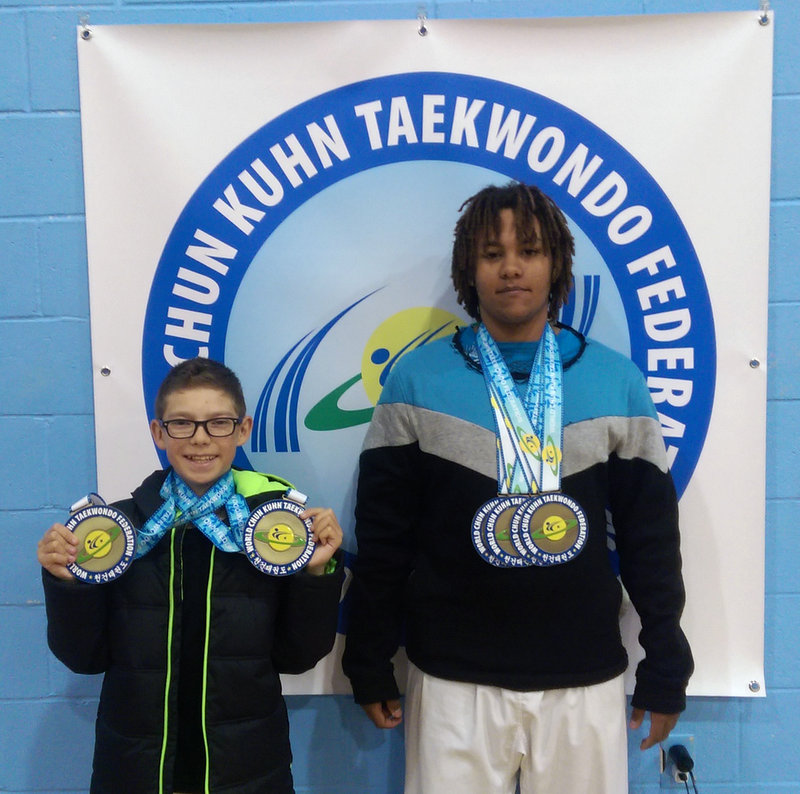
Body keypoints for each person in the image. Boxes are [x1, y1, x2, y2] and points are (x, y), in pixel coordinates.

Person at [342, 182, 693, 793]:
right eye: (491, 253)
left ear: (555, 264)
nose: (511, 268)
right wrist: (369, 658)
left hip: (583, 677)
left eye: (529, 250)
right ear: (467, 269)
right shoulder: (416, 382)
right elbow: (384, 539)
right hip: (453, 680)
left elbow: (651, 540)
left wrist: (667, 663)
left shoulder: (616, 382)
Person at [37, 357, 344, 794]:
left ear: (243, 430)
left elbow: (299, 657)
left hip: (248, 773)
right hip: (135, 772)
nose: (200, 439)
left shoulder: (274, 533)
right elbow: (83, 658)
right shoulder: (118, 531)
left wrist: (315, 574)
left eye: (218, 423)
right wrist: (67, 584)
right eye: (182, 424)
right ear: (158, 433)